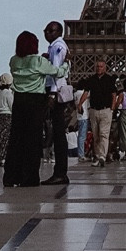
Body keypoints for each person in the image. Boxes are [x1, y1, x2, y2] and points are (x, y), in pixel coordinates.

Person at [3, 31, 62, 187]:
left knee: (16, 139)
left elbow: (23, 66)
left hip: (19, 101)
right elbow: (58, 72)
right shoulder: (38, 61)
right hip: (35, 102)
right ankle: (29, 177)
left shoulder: (13, 61)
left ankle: (11, 176)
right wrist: (67, 63)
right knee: (32, 140)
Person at [43, 22, 72, 187]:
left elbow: (55, 72)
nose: (47, 33)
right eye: (45, 30)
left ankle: (60, 172)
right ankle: (61, 172)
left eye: (50, 30)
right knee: (58, 133)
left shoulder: (57, 47)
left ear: (58, 32)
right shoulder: (57, 46)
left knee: (58, 133)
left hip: (55, 93)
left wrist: (52, 94)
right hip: (58, 92)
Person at [84, 60, 118, 164]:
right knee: (96, 135)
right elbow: (86, 92)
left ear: (105, 68)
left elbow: (114, 94)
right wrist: (80, 104)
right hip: (94, 110)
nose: (99, 68)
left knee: (104, 134)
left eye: (101, 66)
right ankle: (98, 156)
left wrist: (112, 108)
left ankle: (102, 156)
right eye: (97, 66)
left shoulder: (109, 80)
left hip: (105, 110)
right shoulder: (91, 80)